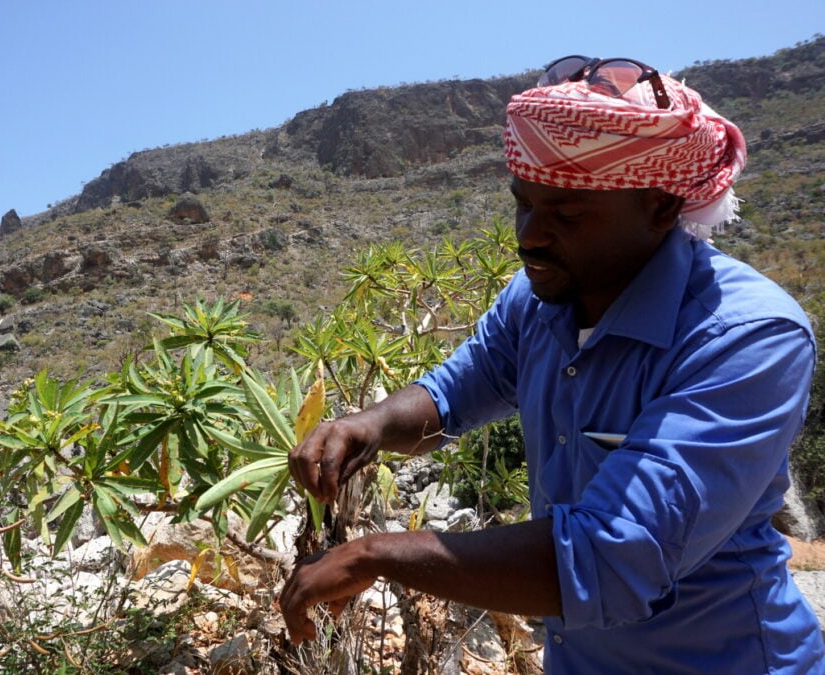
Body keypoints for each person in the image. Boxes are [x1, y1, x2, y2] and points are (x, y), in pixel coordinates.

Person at [279, 56, 825, 673]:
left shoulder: (746, 339)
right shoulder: (541, 295)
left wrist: (372, 556)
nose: (530, 236)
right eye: (524, 203)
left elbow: (612, 558)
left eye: (567, 213)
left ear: (660, 208)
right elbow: (460, 389)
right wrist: (370, 425)